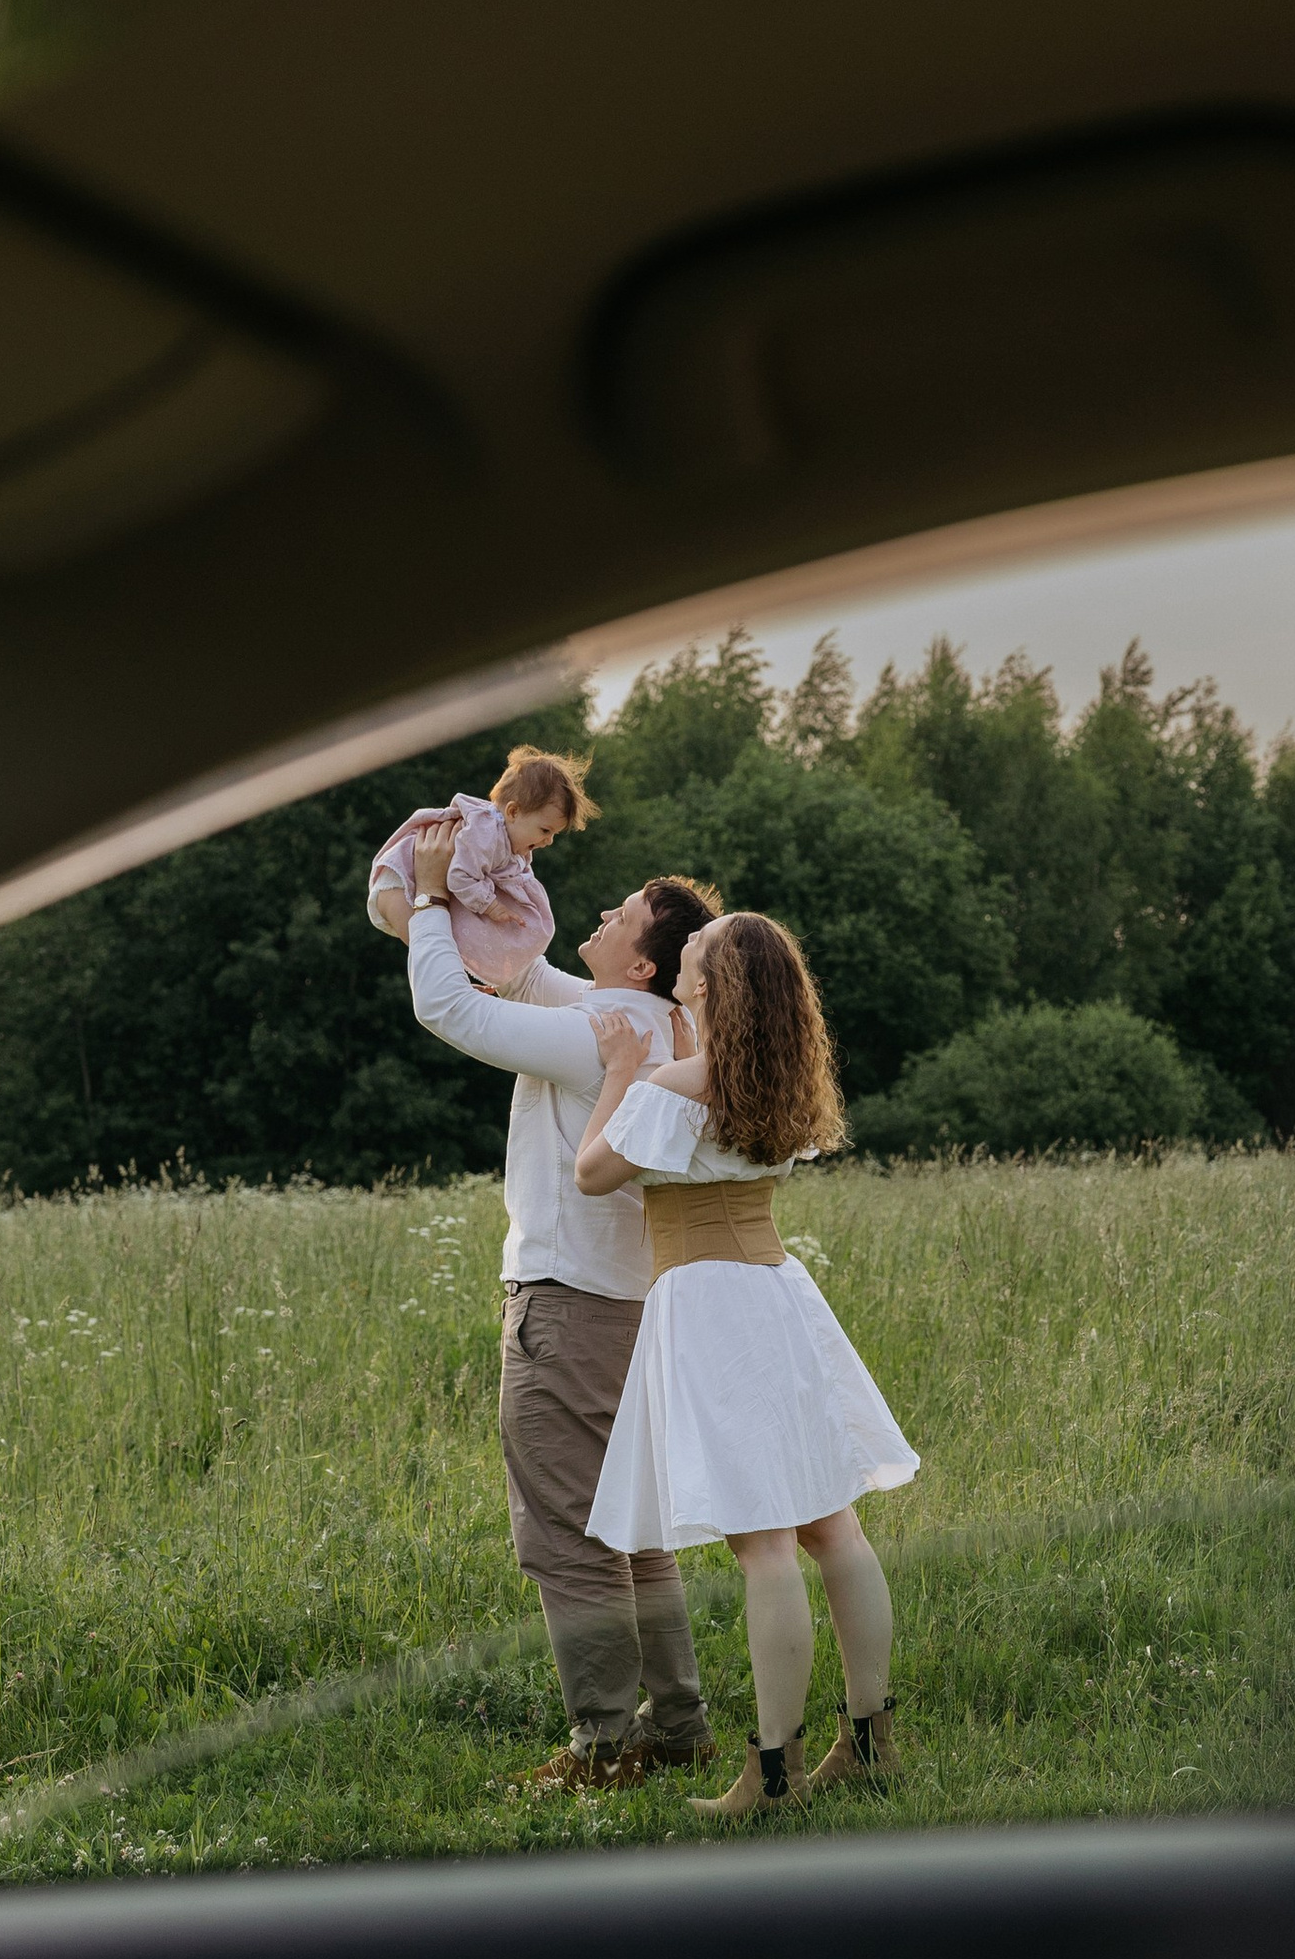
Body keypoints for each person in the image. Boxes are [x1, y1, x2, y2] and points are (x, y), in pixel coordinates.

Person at [395, 818, 721, 1791]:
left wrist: (420, 895)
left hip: (569, 1312)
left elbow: (450, 1011)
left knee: (569, 1538)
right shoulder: (654, 1027)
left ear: (646, 957)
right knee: (638, 1532)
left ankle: (601, 1747)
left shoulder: (600, 1035)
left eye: (622, 911)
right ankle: (677, 1726)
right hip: (636, 1312)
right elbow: (526, 979)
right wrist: (484, 898)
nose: (605, 910)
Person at [575, 910, 919, 1821]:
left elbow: (592, 1174)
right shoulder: (781, 1082)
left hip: (708, 1305)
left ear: (704, 986)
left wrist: (618, 1073)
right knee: (831, 1525)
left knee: (764, 1543)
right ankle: (871, 1739)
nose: (681, 964)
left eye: (690, 958)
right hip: (775, 1290)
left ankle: (771, 1776)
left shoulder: (670, 1086)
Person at [366, 746, 595, 982]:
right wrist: (491, 906)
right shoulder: (486, 834)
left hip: (418, 879)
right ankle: (452, 981)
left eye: (554, 834)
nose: (548, 841)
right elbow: (460, 877)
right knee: (427, 949)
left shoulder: (509, 841)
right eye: (545, 830)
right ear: (513, 811)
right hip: (398, 880)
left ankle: (457, 980)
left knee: (436, 946)